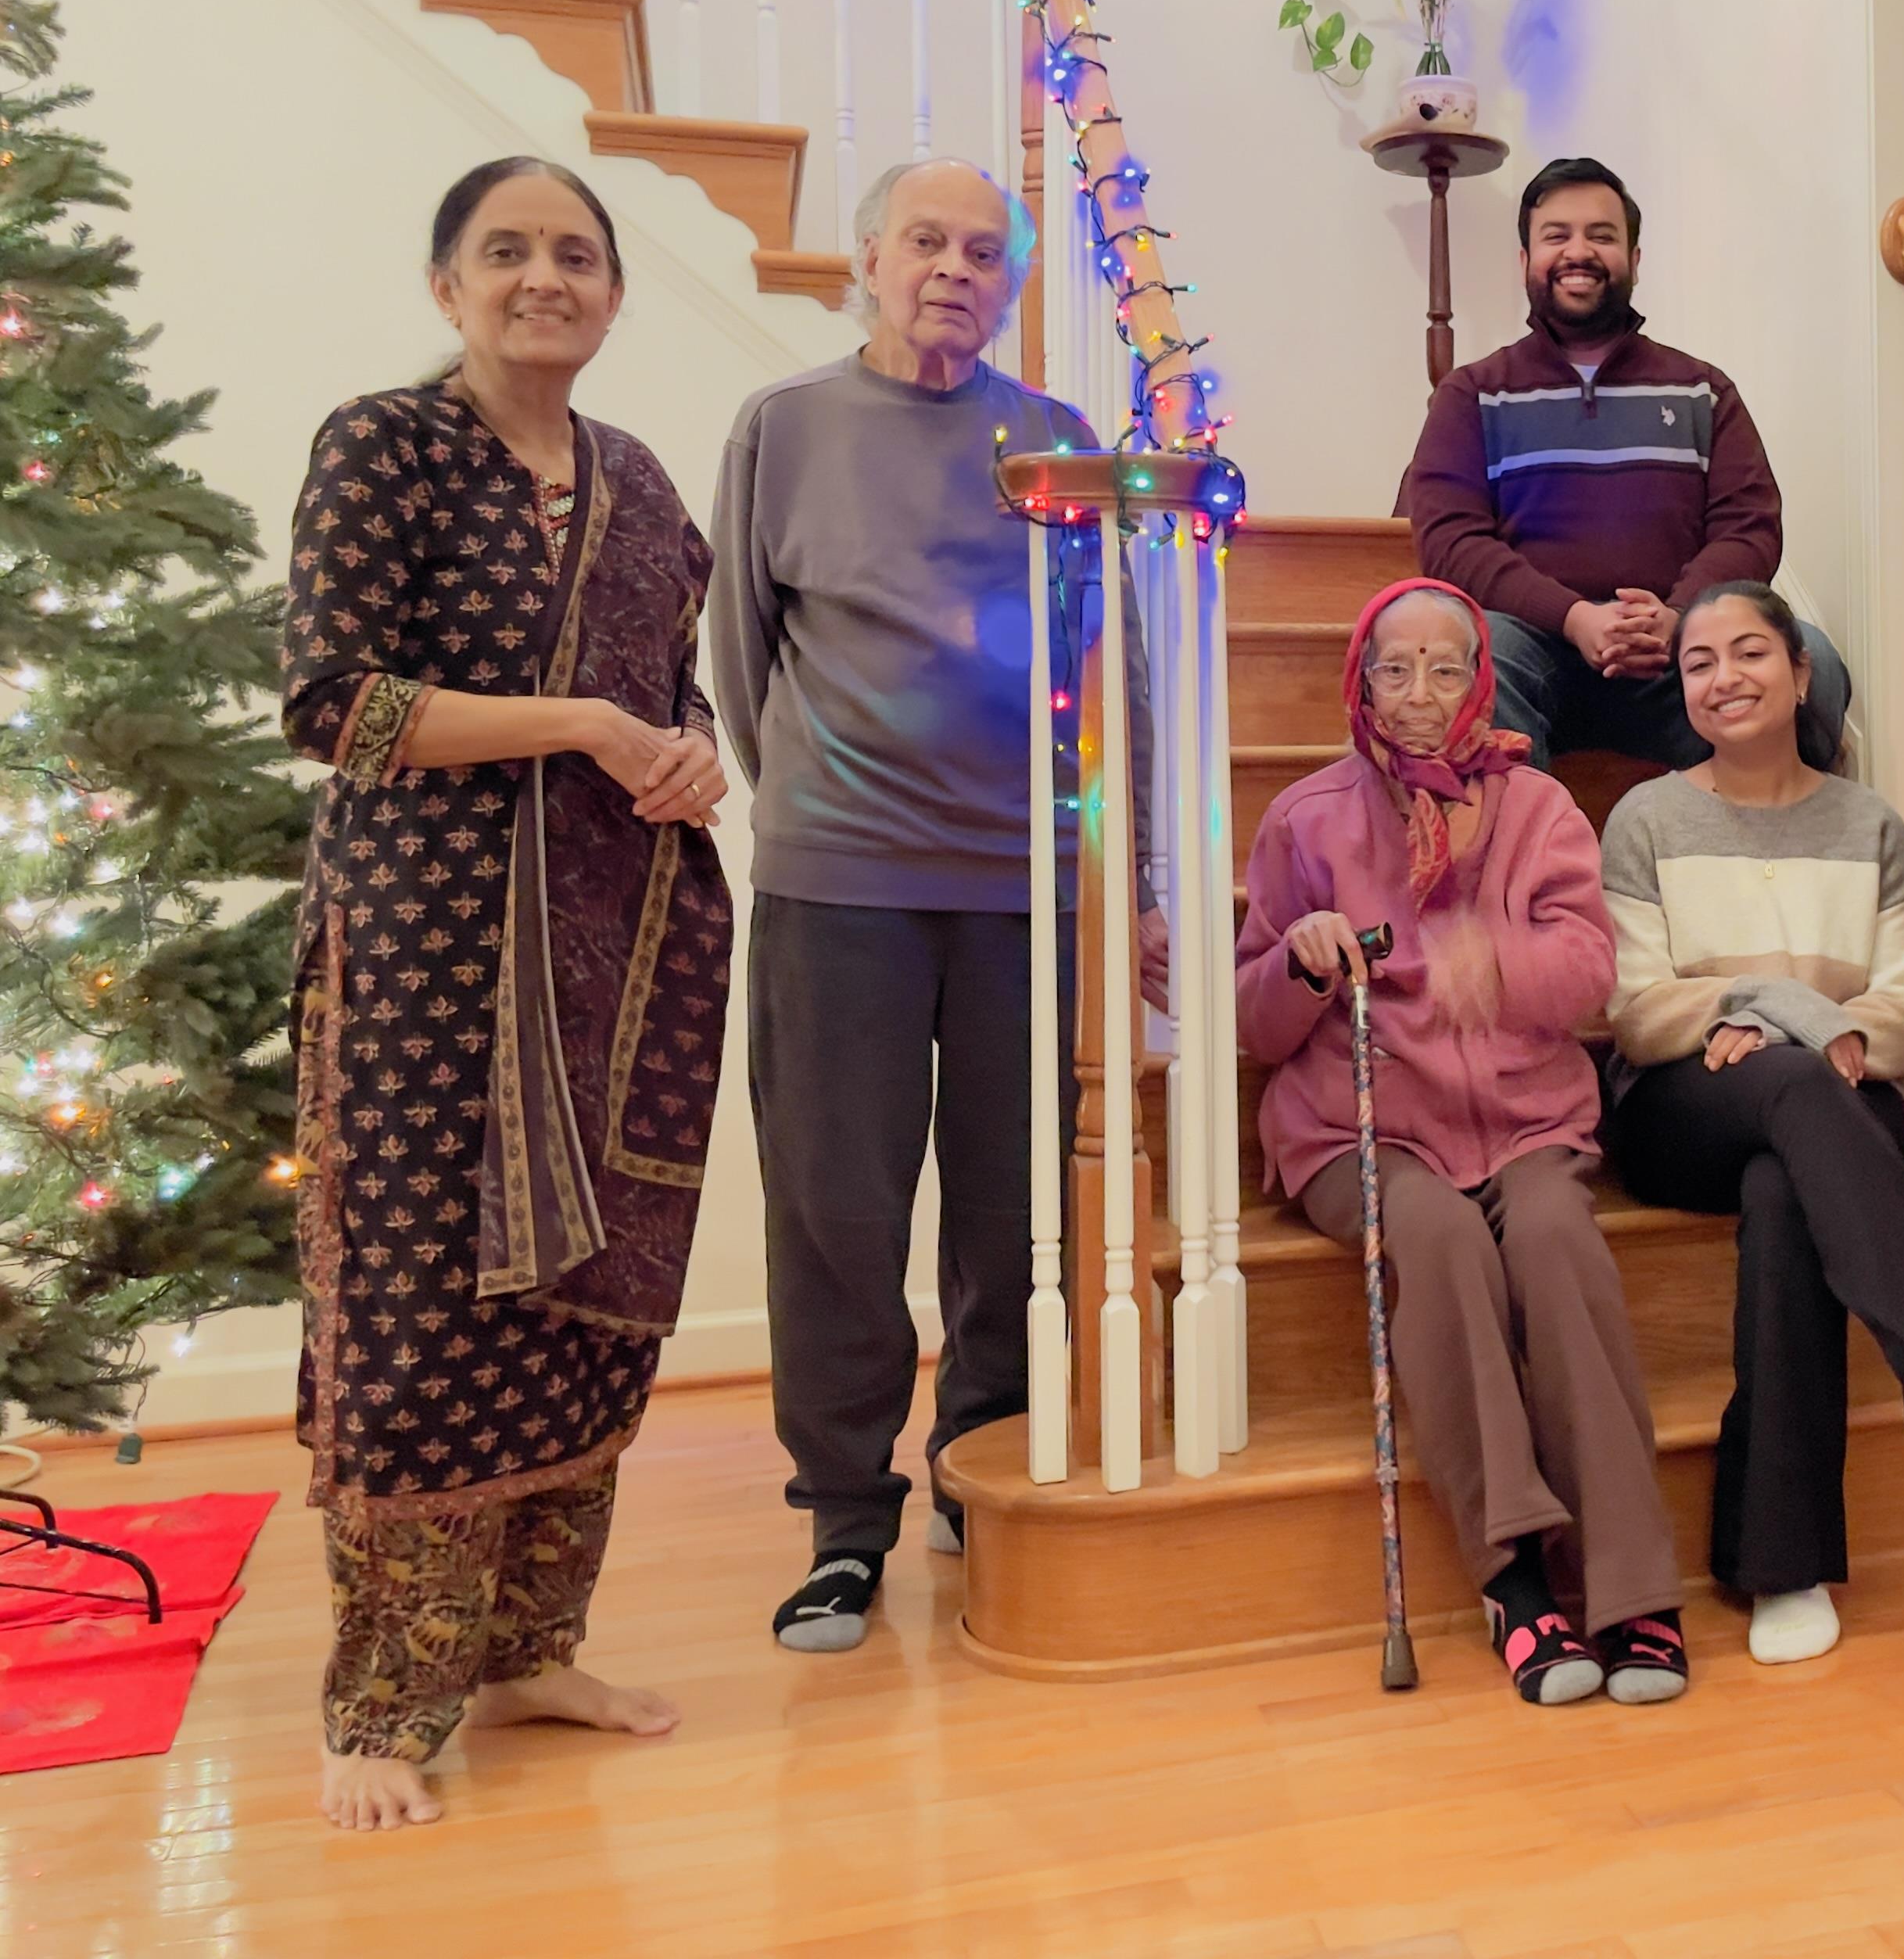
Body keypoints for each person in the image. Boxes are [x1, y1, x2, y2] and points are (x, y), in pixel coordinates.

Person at [282, 157, 731, 1831]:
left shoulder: (635, 476)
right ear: (446, 285)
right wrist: (587, 731)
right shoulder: (380, 445)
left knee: (582, 1294)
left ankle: (531, 1650)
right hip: (426, 948)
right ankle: (388, 1703)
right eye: (507, 252)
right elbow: (337, 706)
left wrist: (684, 759)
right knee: (414, 1303)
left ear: (613, 293)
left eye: (576, 255)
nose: (545, 278)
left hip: (615, 946)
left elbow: (661, 695)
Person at [709, 157, 1166, 1653]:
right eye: (927, 240)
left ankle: (982, 1462)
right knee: (837, 1208)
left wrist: (1132, 867)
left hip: (1022, 895)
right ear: (867, 256)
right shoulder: (785, 428)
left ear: (1014, 280)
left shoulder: (1054, 441)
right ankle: (845, 1520)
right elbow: (742, 657)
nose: (955, 269)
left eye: (986, 250)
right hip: (836, 885)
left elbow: (1118, 670)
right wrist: (819, 810)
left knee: (1009, 1207)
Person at [1601, 583, 1904, 1664]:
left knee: (1790, 1185)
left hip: (1838, 1091)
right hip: (1682, 1106)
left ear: (1801, 672)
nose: (1723, 677)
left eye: (1748, 653)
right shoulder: (1646, 817)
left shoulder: (1869, 823)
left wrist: (1782, 1022)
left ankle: (1780, 1567)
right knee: (1791, 1091)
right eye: (1698, 663)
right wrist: (1778, 1015)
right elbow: (1637, 1012)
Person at [1235, 580, 1687, 1705]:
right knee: (1435, 1242)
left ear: (1480, 676)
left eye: (1446, 668)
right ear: (1363, 682)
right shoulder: (1306, 817)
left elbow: (1588, 970)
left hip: (1530, 1120)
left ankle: (1632, 1585)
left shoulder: (1540, 809)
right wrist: (1299, 957)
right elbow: (1250, 1019)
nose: (1422, 694)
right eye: (1396, 669)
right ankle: (1515, 1576)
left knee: (1552, 1245)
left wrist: (1500, 965)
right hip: (1361, 1130)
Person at [1402, 156, 1851, 773]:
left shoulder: (1702, 390)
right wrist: (1574, 617)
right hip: (1535, 652)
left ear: (1634, 261)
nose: (1578, 252)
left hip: (1679, 652)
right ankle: (1529, 860)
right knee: (1477, 656)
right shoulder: (1472, 394)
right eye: (1556, 235)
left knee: (1815, 665)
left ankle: (1761, 853)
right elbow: (1450, 541)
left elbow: (1749, 526)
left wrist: (1681, 617)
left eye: (1602, 236)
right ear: (1525, 262)